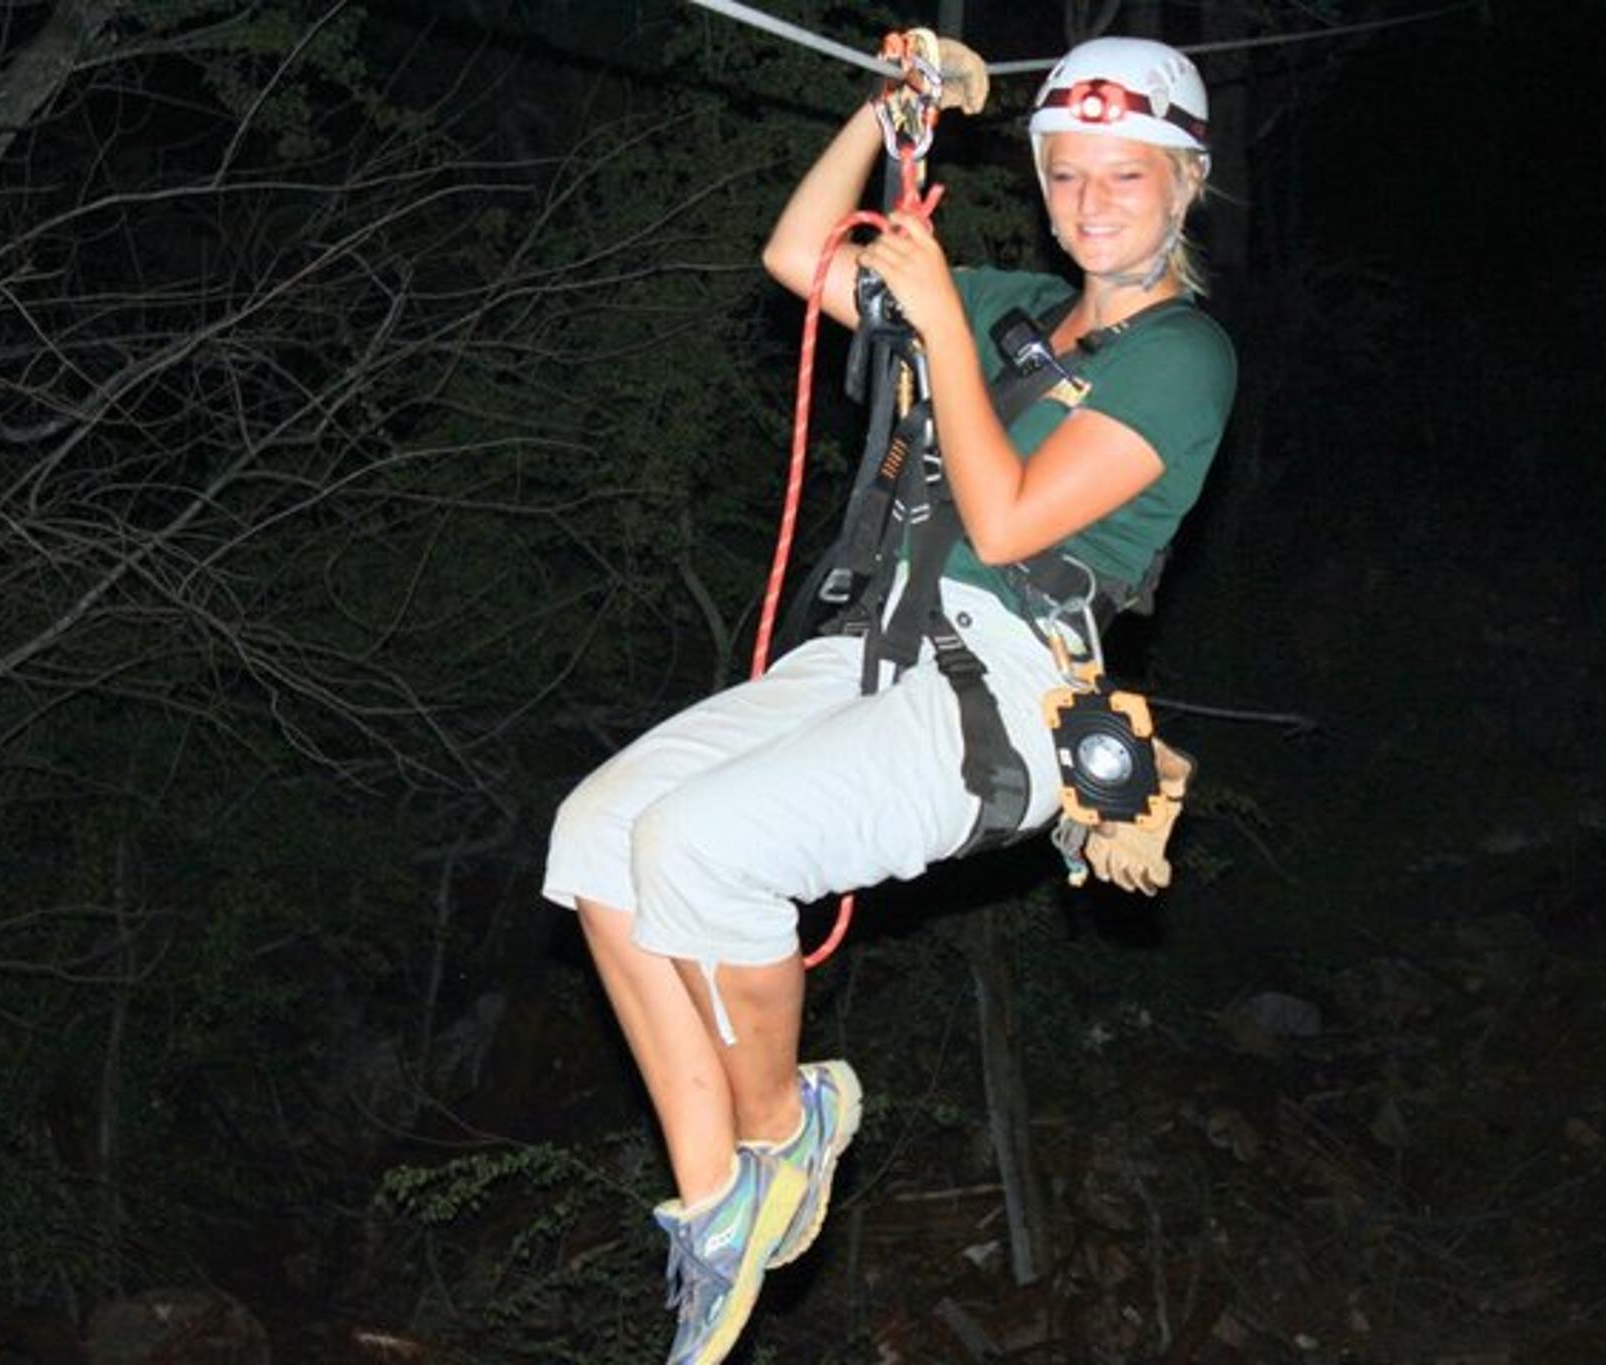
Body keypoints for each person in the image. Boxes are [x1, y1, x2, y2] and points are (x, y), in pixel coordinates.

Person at [541, 33, 1236, 1365]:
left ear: (1185, 180)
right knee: (595, 837)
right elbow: (801, 259)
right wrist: (881, 111)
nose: (1093, 201)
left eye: (1126, 175)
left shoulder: (1186, 358)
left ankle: (786, 1124)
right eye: (1069, 173)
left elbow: (1011, 509)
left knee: (705, 849)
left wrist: (938, 313)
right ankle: (718, 1204)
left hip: (1011, 686)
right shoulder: (1003, 298)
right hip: (877, 644)